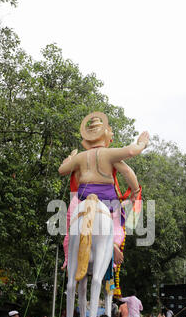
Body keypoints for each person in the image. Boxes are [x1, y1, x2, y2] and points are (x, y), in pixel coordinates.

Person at [59, 112, 149, 268]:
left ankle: (68, 259)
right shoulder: (109, 154)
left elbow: (62, 170)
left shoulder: (80, 157)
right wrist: (141, 144)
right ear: (105, 136)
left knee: (69, 228)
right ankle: (112, 243)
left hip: (82, 198)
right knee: (116, 225)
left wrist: (69, 159)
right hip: (107, 199)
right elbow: (128, 164)